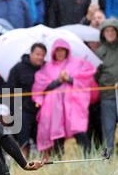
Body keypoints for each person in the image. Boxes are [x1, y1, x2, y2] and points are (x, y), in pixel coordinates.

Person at [32, 39, 96, 157]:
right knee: (57, 134)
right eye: (58, 50)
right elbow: (42, 86)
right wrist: (59, 81)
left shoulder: (76, 63)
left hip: (73, 106)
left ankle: (89, 157)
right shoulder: (47, 67)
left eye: (63, 50)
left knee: (79, 131)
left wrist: (69, 79)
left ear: (67, 51)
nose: (60, 53)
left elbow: (86, 79)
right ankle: (58, 161)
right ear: (54, 52)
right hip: (54, 108)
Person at [7, 43, 47, 157]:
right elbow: (9, 91)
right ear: (31, 54)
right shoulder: (18, 68)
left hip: (42, 110)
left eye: (43, 55)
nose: (40, 57)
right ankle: (24, 164)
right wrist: (13, 111)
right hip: (22, 110)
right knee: (23, 141)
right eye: (38, 54)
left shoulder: (46, 68)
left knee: (43, 140)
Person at [95, 18, 118, 154]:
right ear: (103, 33)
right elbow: (96, 75)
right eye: (107, 31)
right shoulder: (100, 52)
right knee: (108, 130)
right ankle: (106, 158)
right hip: (107, 97)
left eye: (112, 30)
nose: (110, 33)